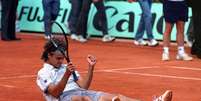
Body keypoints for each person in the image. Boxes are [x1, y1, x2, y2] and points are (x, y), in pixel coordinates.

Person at [36, 38, 173, 101]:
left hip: (82, 93)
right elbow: (55, 94)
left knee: (118, 98)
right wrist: (66, 75)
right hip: (65, 98)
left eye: (62, 58)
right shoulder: (43, 73)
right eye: (59, 58)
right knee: (81, 98)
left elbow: (84, 86)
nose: (61, 61)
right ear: (49, 55)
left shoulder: (66, 67)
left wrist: (90, 68)